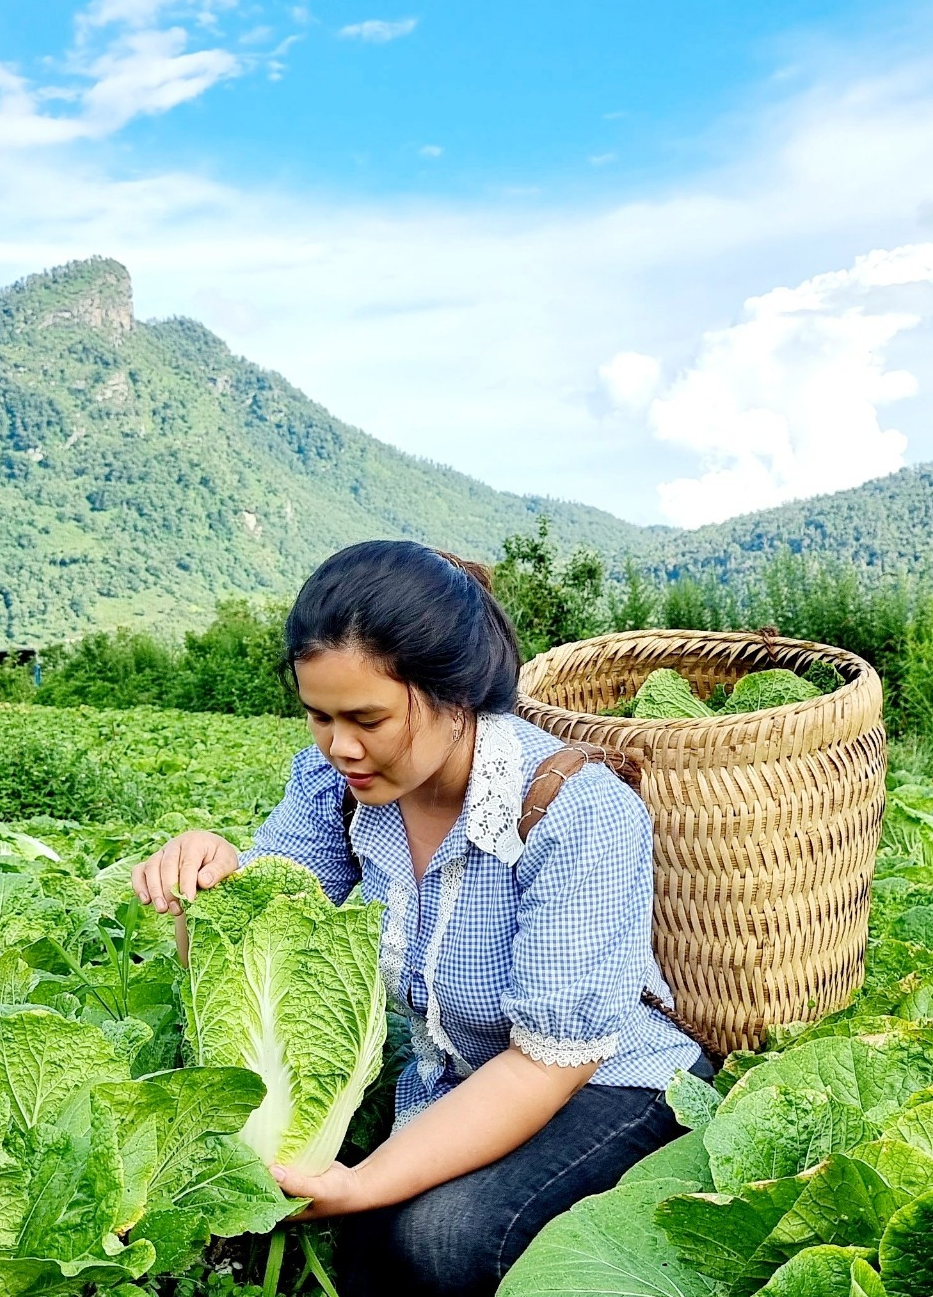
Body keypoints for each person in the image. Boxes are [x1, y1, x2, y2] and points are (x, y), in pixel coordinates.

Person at [131, 540, 704, 1296]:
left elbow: (552, 1061)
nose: (341, 746)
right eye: (319, 718)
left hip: (610, 1083)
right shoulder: (331, 785)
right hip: (459, 1074)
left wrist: (367, 1183)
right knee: (375, 1238)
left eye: (368, 719)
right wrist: (205, 888)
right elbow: (265, 938)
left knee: (438, 1237)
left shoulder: (577, 810)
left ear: (456, 694)